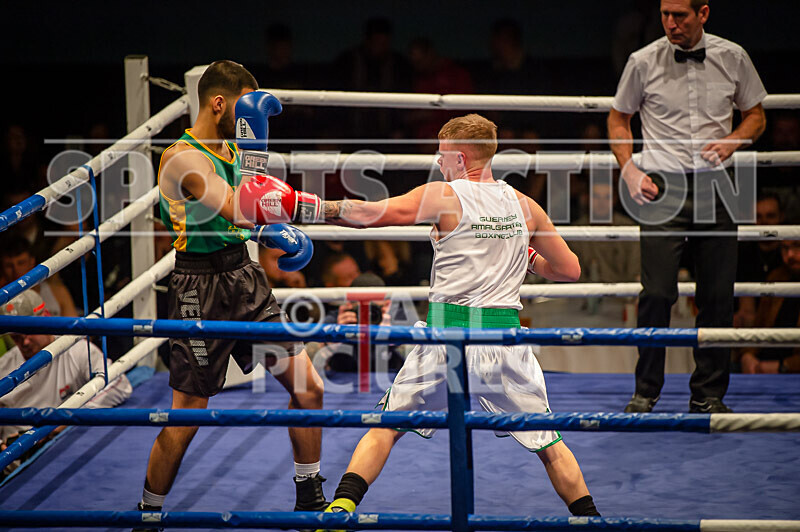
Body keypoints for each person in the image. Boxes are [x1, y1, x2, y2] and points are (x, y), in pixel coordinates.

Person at [304, 113, 598, 519]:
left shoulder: (445, 195)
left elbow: (370, 213)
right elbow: (570, 270)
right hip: (503, 343)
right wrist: (527, 258)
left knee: (385, 427)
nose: (439, 162)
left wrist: (309, 206)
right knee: (549, 444)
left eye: (443, 155)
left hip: (446, 340)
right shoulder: (525, 205)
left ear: (460, 158)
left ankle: (339, 510)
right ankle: (591, 519)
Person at [139, 60, 327, 520]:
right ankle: (148, 516)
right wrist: (300, 211)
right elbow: (231, 206)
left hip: (244, 280)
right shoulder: (182, 157)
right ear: (218, 103)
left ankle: (309, 495)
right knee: (188, 415)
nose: (247, 122)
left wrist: (269, 230)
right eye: (242, 110)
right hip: (197, 288)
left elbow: (246, 213)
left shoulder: (231, 151)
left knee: (309, 388)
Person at [608, 0, 767, 413]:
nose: (671, 24)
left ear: (704, 13)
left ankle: (709, 395)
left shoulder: (733, 57)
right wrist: (628, 169)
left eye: (680, 15)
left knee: (716, 295)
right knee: (657, 293)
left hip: (718, 185)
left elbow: (756, 116)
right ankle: (646, 392)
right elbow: (618, 118)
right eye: (665, 14)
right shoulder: (643, 61)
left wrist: (733, 141)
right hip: (661, 188)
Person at [0, 290, 132, 476]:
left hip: (59, 454)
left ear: (45, 317)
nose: (25, 342)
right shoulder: (4, 367)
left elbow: (119, 384)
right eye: (16, 338)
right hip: (12, 463)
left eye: (29, 332)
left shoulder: (75, 349)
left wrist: (59, 423)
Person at [738, 239, 800, 374]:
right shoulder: (777, 278)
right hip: (764, 365)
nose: (790, 255)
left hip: (789, 370)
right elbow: (759, 325)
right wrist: (747, 355)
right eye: (785, 248)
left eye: (797, 246)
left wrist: (783, 366)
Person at [734, 193, 784, 327]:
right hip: (752, 332)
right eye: (758, 217)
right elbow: (745, 309)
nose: (764, 222)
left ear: (781, 217)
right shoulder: (742, 255)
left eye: (770, 216)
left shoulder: (789, 256)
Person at [1, 235, 78, 318]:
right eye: (9, 265)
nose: (16, 270)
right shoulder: (1, 296)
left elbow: (72, 326)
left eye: (21, 263)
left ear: (32, 261)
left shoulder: (58, 292)